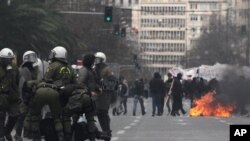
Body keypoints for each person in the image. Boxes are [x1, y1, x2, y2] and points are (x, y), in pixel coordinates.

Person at [29, 46, 75, 141]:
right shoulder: (70, 67)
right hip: (65, 95)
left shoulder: (53, 66)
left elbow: (46, 79)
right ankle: (65, 134)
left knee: (52, 116)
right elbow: (73, 82)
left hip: (53, 93)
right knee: (64, 116)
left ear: (57, 54)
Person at [14, 51, 40, 141]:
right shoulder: (22, 70)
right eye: (30, 62)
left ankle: (29, 134)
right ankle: (17, 134)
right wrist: (22, 98)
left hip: (30, 96)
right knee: (22, 116)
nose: (31, 64)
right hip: (23, 97)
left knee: (30, 116)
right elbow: (21, 86)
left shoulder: (33, 70)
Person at [94, 52, 118, 141]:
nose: (96, 61)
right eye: (95, 59)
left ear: (102, 60)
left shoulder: (107, 69)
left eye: (98, 59)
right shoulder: (94, 68)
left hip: (104, 95)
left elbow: (114, 82)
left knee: (102, 114)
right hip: (95, 94)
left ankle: (106, 132)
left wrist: (103, 85)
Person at [0, 48, 20, 141]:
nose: (9, 61)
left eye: (10, 59)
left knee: (15, 115)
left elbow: (18, 81)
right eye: (6, 59)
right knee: (1, 116)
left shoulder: (14, 67)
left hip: (13, 96)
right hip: (1, 95)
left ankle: (7, 132)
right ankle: (1, 135)